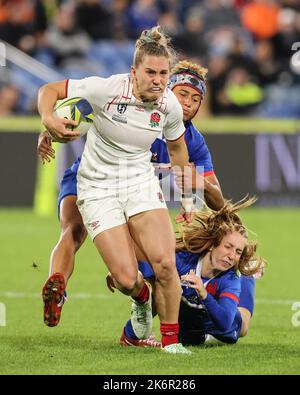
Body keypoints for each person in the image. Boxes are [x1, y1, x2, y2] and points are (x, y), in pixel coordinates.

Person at [37, 59, 224, 337]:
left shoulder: (191, 141)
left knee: (153, 271)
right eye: (183, 94)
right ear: (167, 89)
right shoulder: (131, 103)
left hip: (134, 196)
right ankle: (58, 285)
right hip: (90, 181)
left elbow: (218, 202)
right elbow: (77, 111)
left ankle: (139, 331)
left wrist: (199, 188)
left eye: (196, 99)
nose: (188, 104)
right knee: (74, 230)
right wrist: (49, 130)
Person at [109, 197, 265, 347]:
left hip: (220, 332)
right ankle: (131, 336)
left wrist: (204, 294)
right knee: (161, 284)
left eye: (238, 252)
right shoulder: (183, 260)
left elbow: (225, 324)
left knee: (243, 325)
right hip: (188, 328)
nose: (231, 256)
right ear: (213, 244)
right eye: (228, 247)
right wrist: (121, 273)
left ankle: (248, 273)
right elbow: (146, 269)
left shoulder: (229, 280)